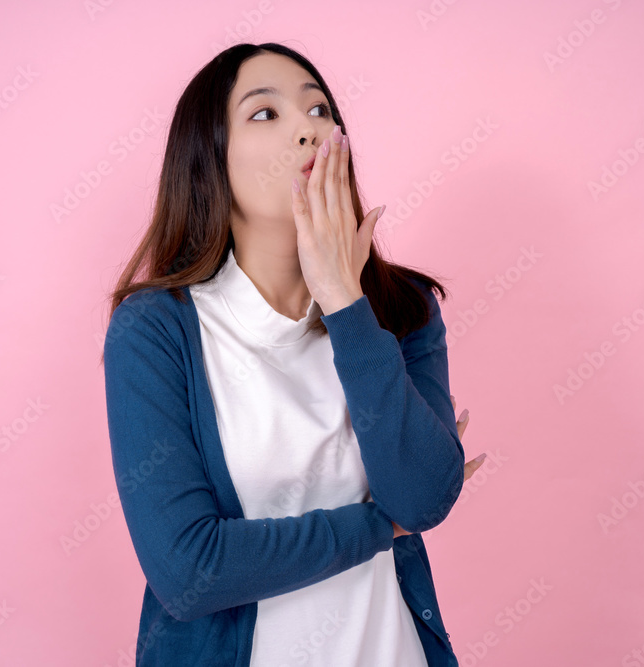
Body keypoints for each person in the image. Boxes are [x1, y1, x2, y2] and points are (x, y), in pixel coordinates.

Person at [101, 41, 485, 666]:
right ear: (209, 158)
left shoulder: (401, 308)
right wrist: (379, 526)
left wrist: (345, 303)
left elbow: (421, 499)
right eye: (265, 113)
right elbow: (188, 569)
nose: (307, 129)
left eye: (319, 109)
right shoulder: (155, 330)